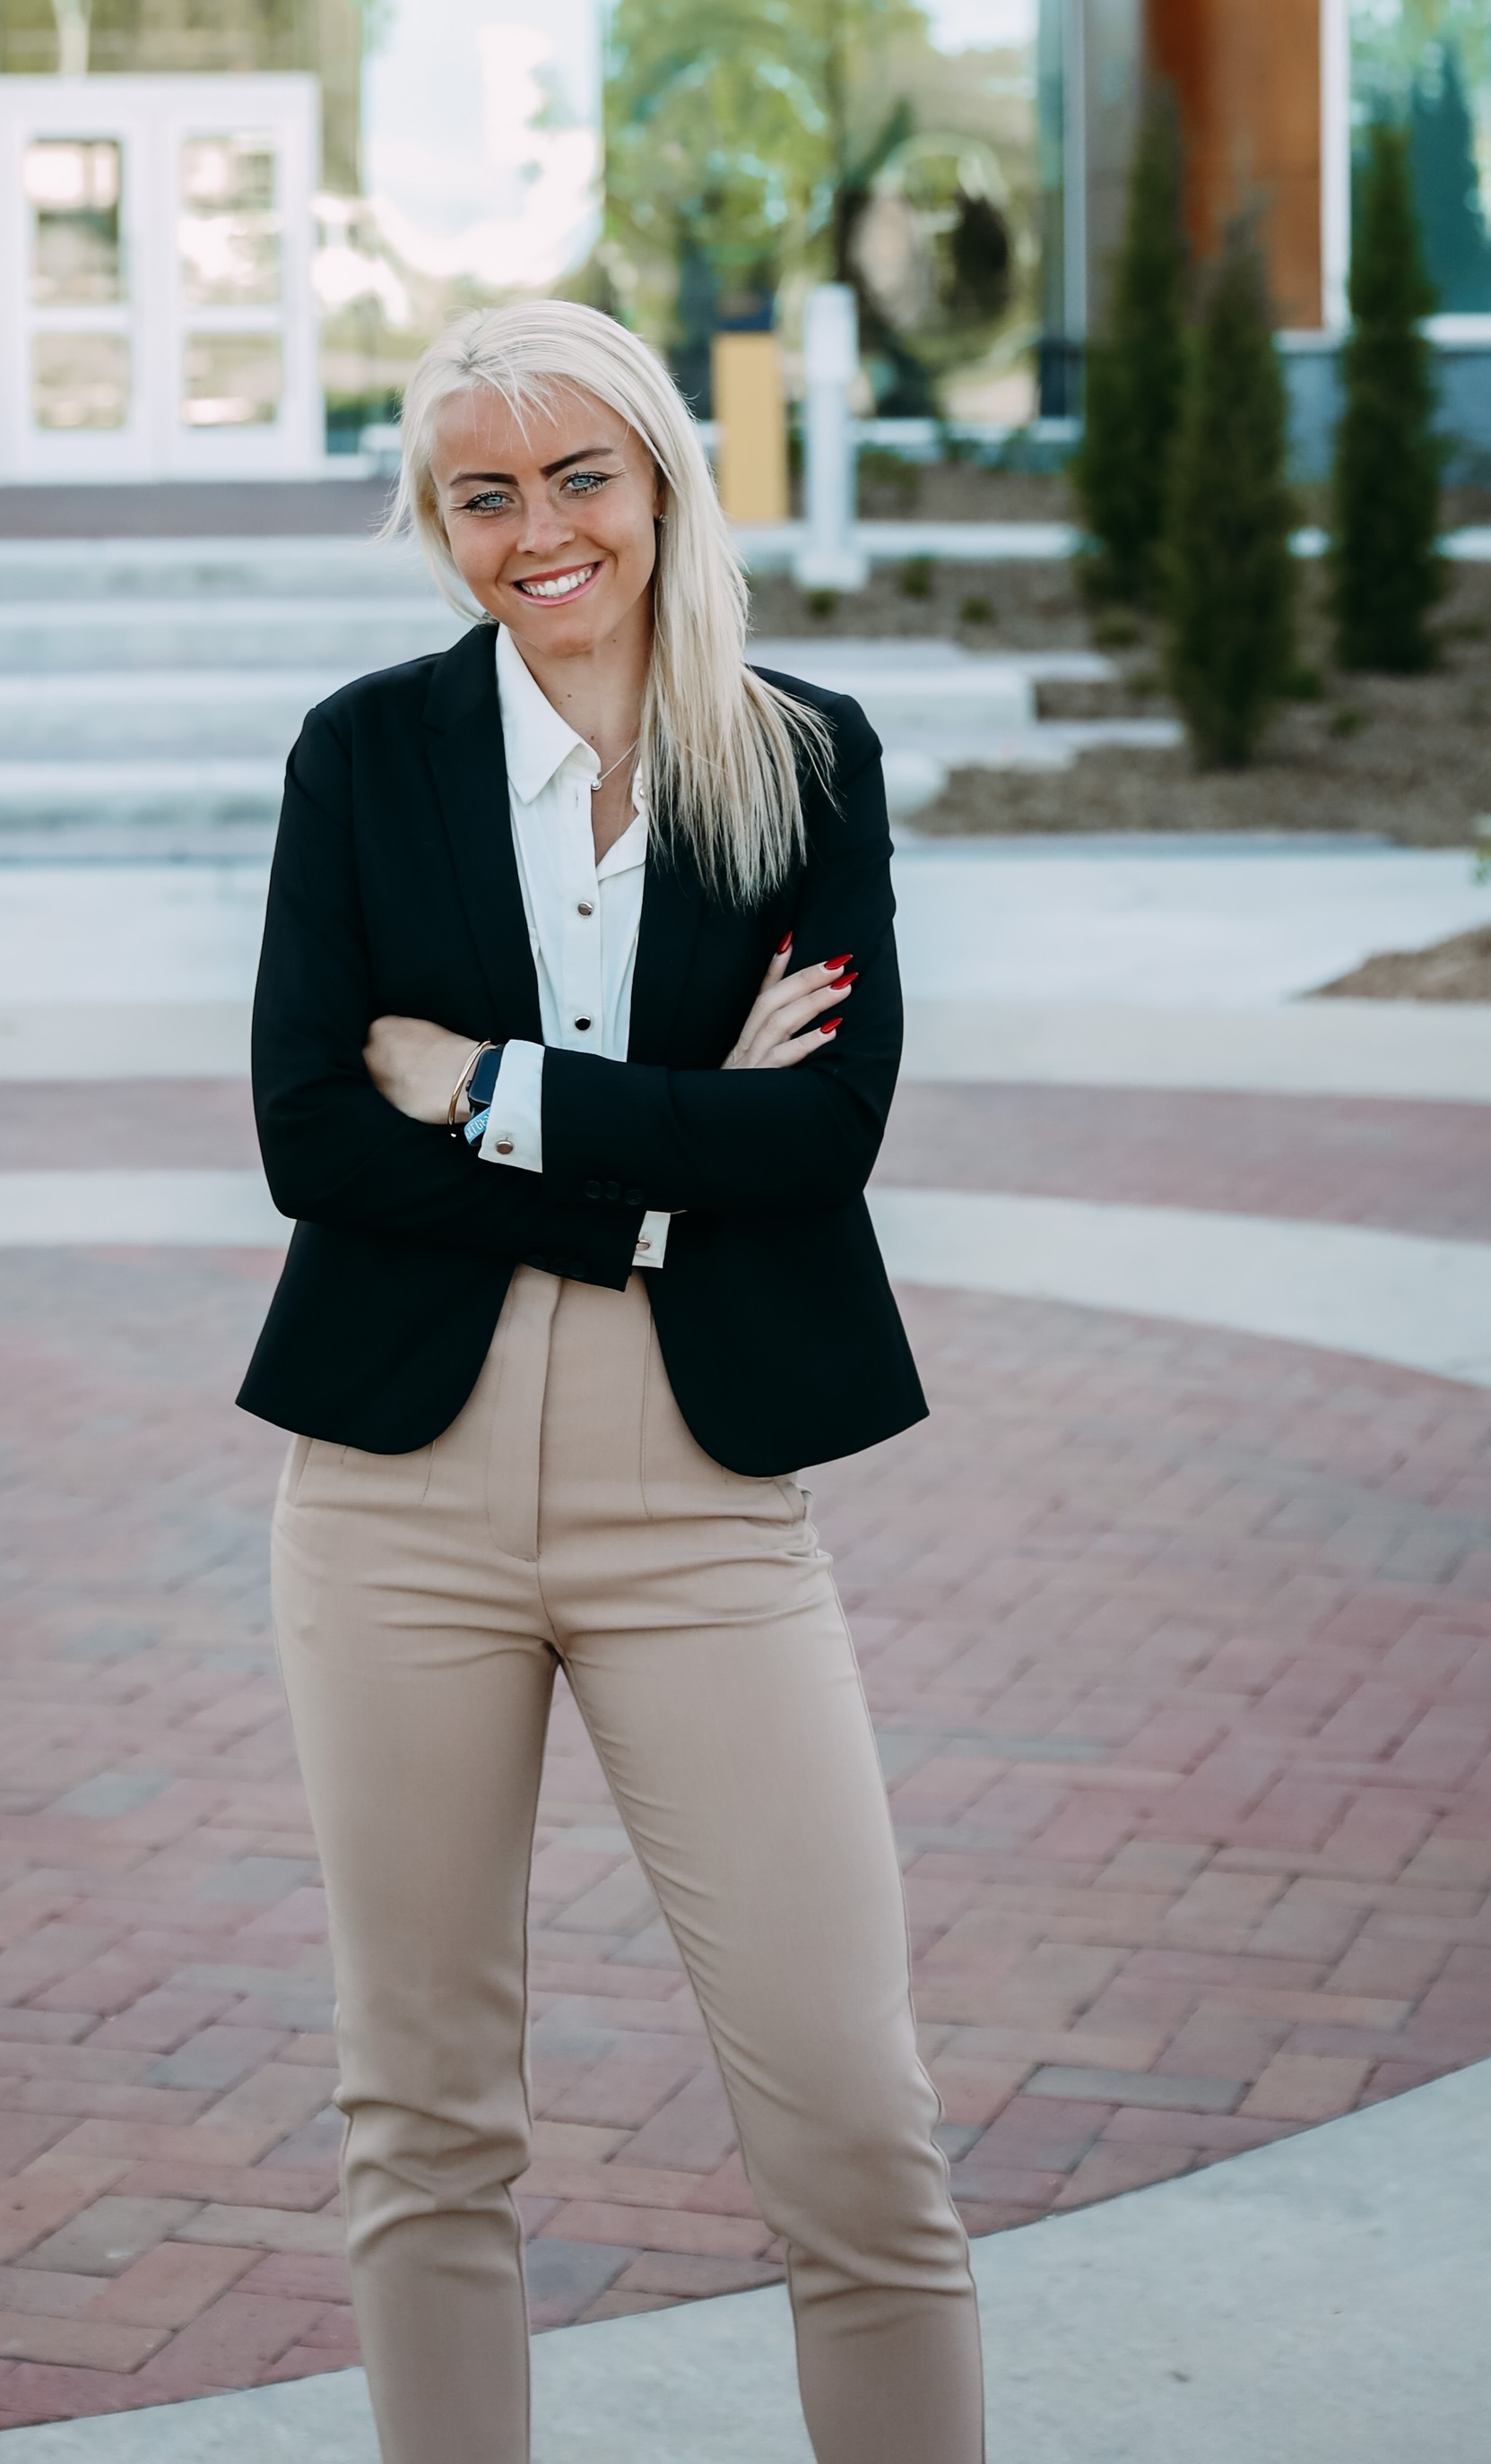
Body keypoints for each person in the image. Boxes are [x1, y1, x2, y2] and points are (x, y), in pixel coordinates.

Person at [238, 296, 984, 2464]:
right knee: (426, 2116)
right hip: (395, 1498)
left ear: (659, 479)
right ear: (436, 521)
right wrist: (658, 1164)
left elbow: (827, 1141)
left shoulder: (804, 754)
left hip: (704, 1492)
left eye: (581, 478)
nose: (540, 531)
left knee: (854, 2119)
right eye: (486, 494)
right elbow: (309, 1138)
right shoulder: (362, 758)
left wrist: (489, 1093)